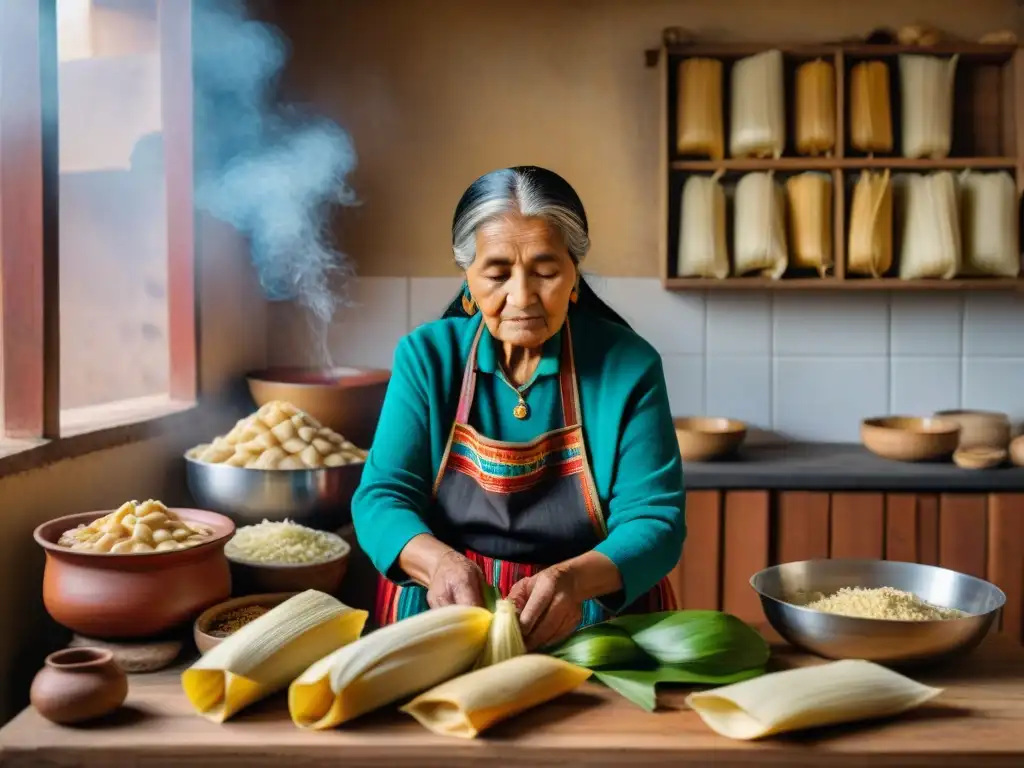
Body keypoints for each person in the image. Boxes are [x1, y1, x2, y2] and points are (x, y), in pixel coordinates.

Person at [351, 165, 686, 651]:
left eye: (546, 272)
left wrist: (572, 582)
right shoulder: (426, 359)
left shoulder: (628, 367)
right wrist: (441, 566)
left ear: (574, 275)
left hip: (593, 612)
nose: (522, 296)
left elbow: (655, 520)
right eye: (497, 273)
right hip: (445, 612)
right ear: (467, 277)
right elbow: (381, 497)